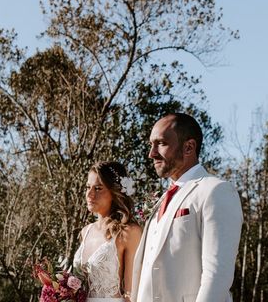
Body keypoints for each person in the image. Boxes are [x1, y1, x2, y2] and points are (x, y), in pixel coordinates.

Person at [130, 113, 243, 302]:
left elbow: (217, 275)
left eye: (161, 144)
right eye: (151, 144)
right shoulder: (163, 198)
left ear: (189, 147)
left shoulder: (215, 190)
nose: (152, 153)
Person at [73, 161, 142, 302]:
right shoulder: (85, 232)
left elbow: (132, 294)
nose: (90, 194)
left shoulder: (129, 232)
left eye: (98, 188)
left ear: (115, 192)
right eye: (88, 187)